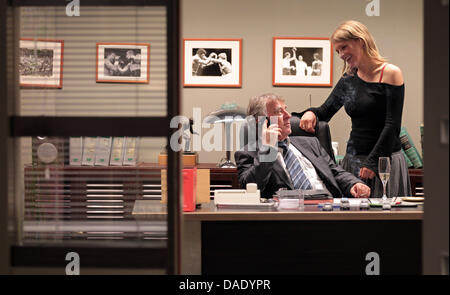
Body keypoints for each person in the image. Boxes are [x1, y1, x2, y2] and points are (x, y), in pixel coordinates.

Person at [296, 20, 411, 198]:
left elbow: (392, 125)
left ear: (361, 41)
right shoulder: (348, 78)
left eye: (344, 47)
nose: (341, 55)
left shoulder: (390, 73)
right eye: (338, 51)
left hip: (383, 161)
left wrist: (373, 162)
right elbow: (326, 111)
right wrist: (311, 112)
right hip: (354, 162)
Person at [234, 93, 371, 199]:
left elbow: (335, 171)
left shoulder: (310, 143)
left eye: (286, 110)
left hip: (328, 207)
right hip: (289, 216)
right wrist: (267, 148)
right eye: (279, 112)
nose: (289, 116)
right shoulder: (248, 154)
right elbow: (252, 187)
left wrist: (354, 183)